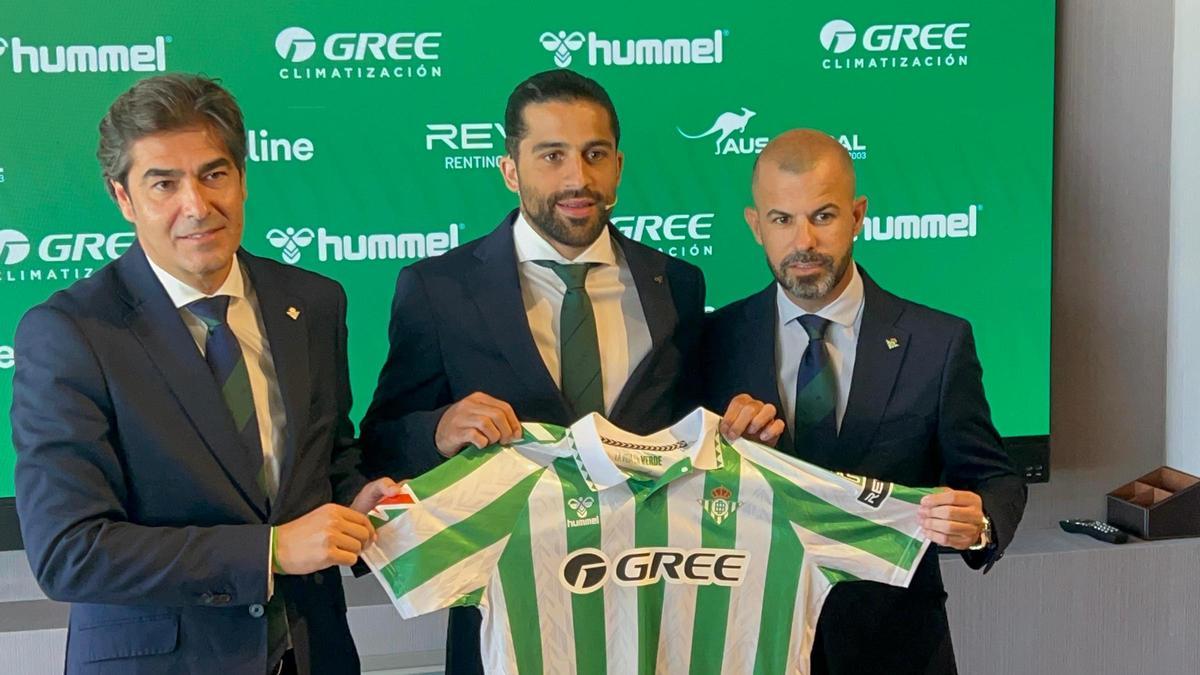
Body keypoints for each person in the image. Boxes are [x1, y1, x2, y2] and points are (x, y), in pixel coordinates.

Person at [360, 68, 782, 674]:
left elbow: (697, 431)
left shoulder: (677, 286)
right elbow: (379, 440)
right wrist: (437, 430)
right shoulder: (438, 290)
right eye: (551, 155)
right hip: (508, 624)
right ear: (511, 169)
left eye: (594, 155)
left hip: (655, 618)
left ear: (617, 165)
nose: (577, 178)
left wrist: (746, 428)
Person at [12, 74, 398, 675]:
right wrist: (268, 552)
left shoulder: (313, 303)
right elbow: (70, 552)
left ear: (242, 179)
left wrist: (358, 498)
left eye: (214, 174)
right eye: (163, 183)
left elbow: (327, 457)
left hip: (314, 652)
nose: (197, 205)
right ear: (123, 198)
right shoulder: (71, 333)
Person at [703, 129, 1027, 674]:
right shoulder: (712, 342)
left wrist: (983, 523)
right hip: (749, 646)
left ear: (857, 216)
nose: (802, 241)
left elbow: (993, 477)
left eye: (823, 216)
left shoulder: (938, 343)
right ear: (755, 226)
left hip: (895, 649)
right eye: (782, 219)